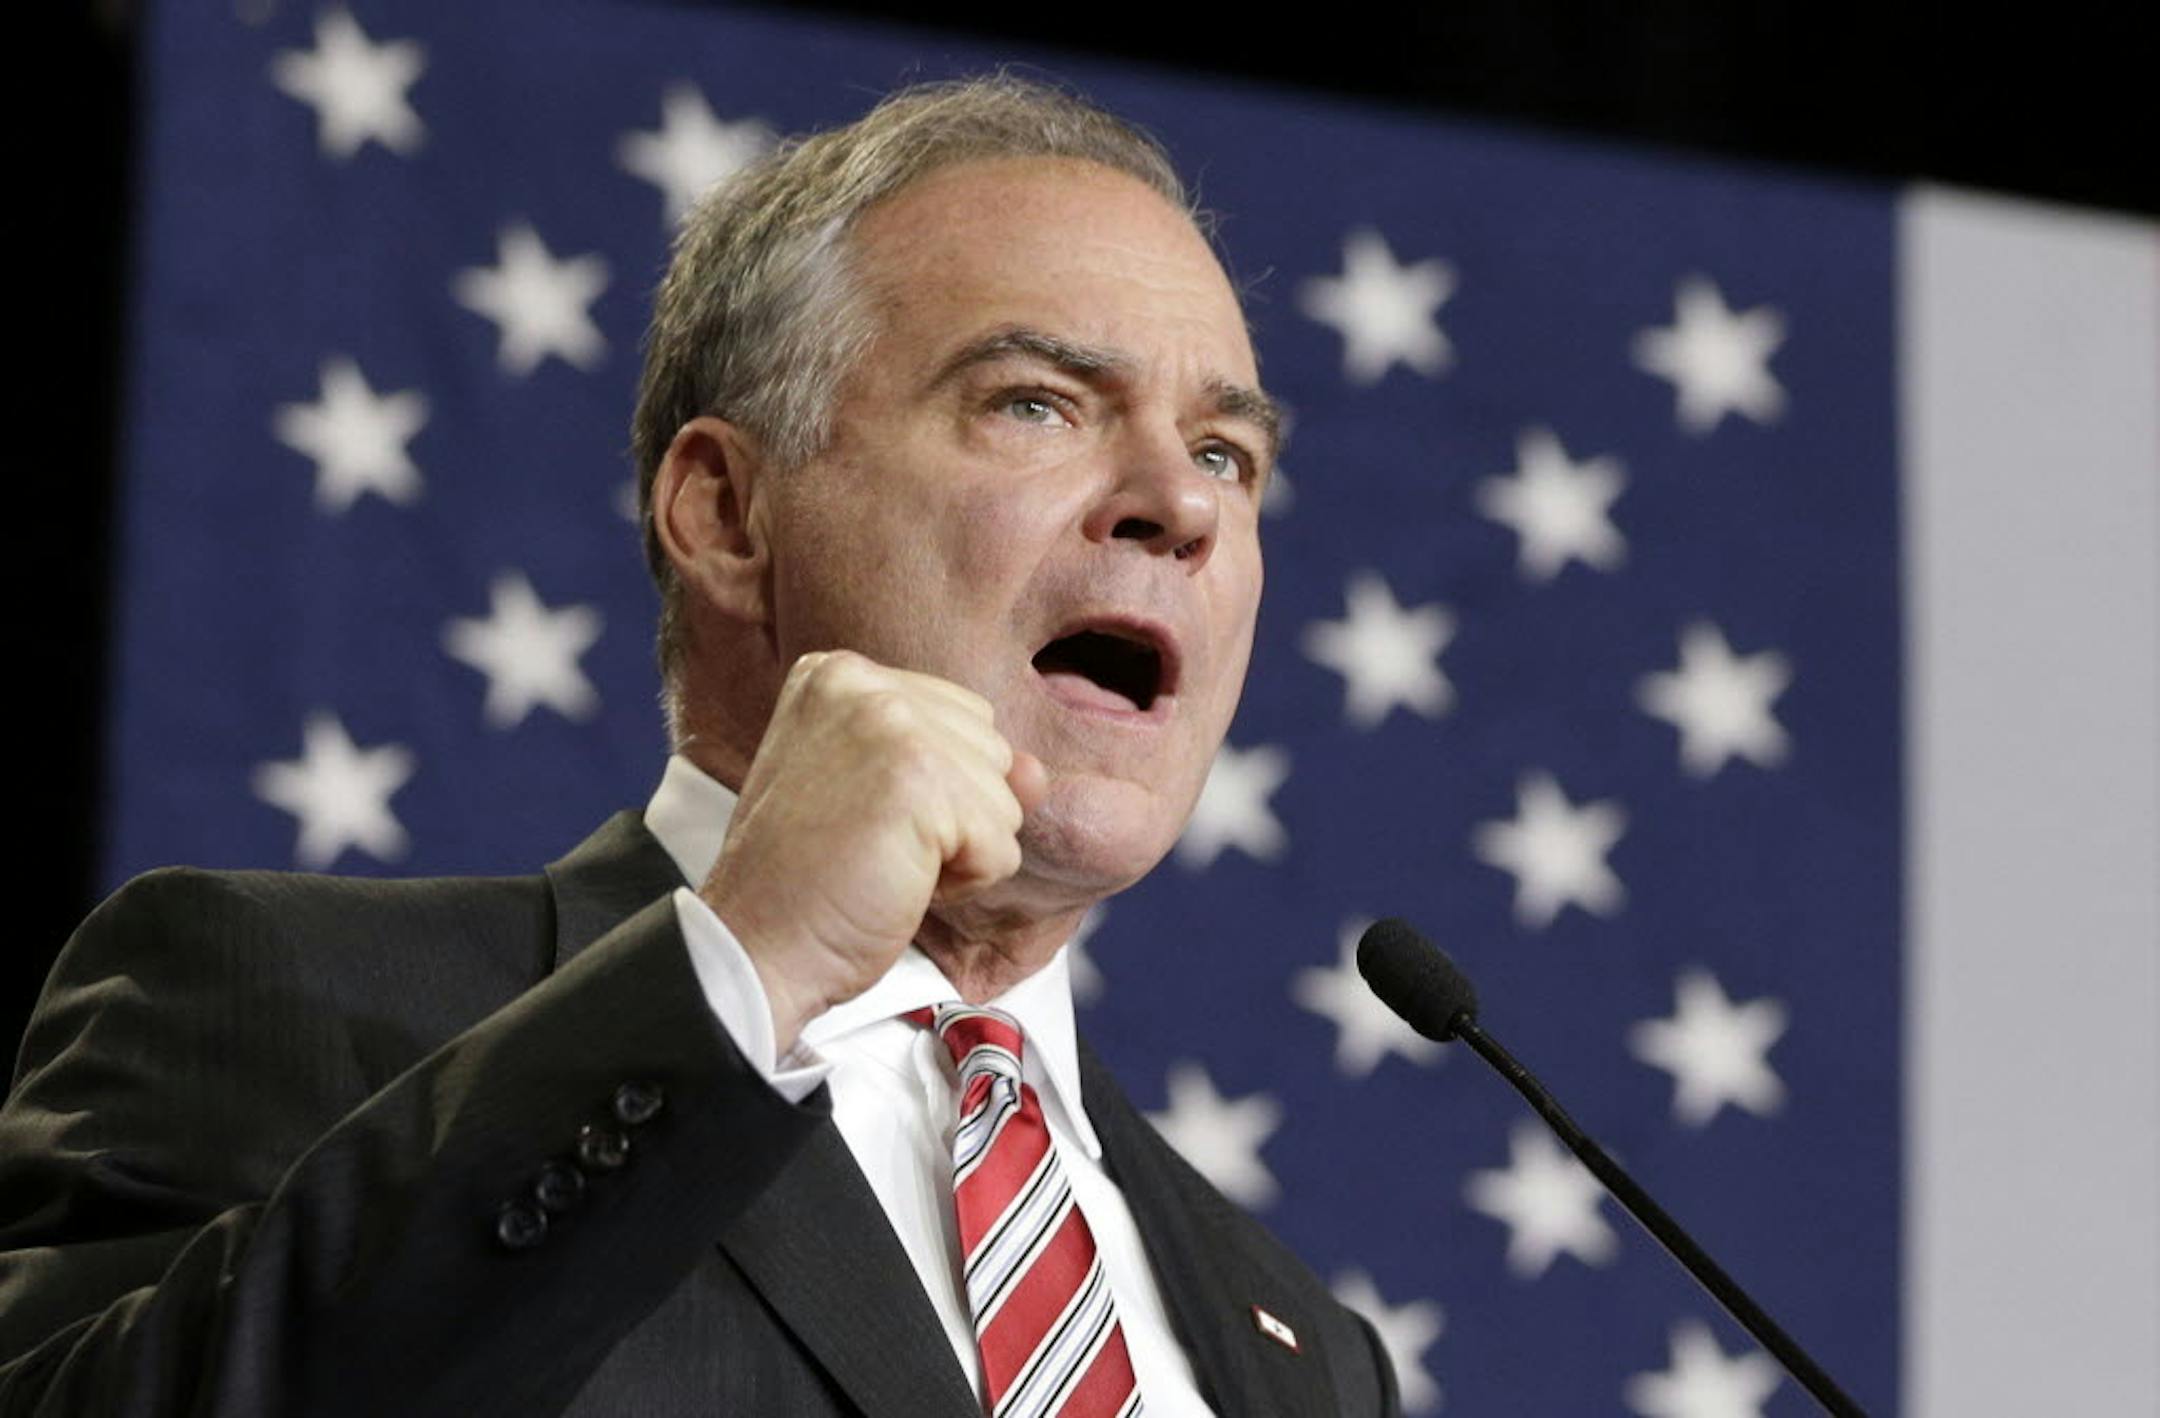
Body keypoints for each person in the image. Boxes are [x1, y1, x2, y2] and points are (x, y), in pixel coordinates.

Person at [0, 77, 1401, 1416]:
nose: (1180, 504)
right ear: (729, 513)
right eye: (1035, 400)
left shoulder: (1300, 1342)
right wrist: (746, 968)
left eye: (1227, 453)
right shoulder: (284, 1000)